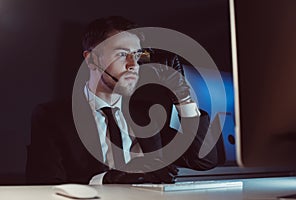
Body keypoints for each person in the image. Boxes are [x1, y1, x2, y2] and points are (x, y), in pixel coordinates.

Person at [26, 16, 218, 185]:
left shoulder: (146, 114)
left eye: (136, 55)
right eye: (121, 54)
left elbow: (203, 161)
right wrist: (107, 179)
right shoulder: (53, 117)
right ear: (92, 59)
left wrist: (183, 97)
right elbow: (44, 186)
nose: (133, 65)